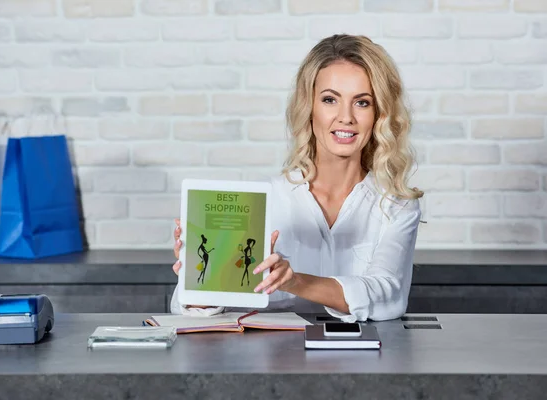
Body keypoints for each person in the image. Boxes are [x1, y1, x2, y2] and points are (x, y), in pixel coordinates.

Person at [170, 34, 424, 322]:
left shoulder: (396, 204)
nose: (346, 117)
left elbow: (387, 296)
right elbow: (188, 307)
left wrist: (295, 281)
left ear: (379, 113)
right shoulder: (263, 200)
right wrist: (201, 273)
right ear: (310, 107)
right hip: (269, 362)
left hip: (364, 362)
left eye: (362, 103)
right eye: (330, 100)